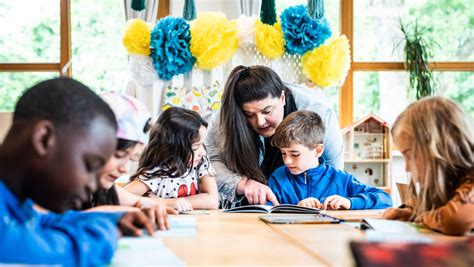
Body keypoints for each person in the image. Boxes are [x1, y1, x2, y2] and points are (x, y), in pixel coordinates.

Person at [0, 78, 154, 265]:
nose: (93, 183)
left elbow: (44, 221)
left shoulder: (17, 202)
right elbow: (40, 248)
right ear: (44, 139)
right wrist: (106, 232)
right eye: (90, 166)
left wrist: (115, 218)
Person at [206, 65, 344, 208]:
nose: (260, 122)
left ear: (282, 98)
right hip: (249, 204)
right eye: (249, 115)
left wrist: (323, 204)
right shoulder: (228, 114)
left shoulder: (318, 111)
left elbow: (334, 170)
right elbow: (209, 162)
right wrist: (242, 183)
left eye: (267, 111)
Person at [83, 92, 177, 230]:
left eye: (130, 158)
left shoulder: (103, 190)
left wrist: (149, 206)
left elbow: (139, 201)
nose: (124, 169)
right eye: (119, 155)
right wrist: (119, 213)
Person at [383, 96, 473, 235]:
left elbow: (455, 220)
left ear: (439, 148)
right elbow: (434, 208)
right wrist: (409, 213)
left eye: (410, 155)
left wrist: (420, 217)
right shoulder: (449, 181)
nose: (407, 168)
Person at [268, 110, 392, 209]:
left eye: (295, 154)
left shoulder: (340, 179)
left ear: (318, 150)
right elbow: (266, 210)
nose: (287, 161)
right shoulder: (278, 177)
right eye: (283, 153)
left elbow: (386, 199)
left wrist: (350, 202)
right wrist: (296, 209)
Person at [125, 107, 219, 212]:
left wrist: (164, 202)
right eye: (195, 147)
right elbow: (123, 196)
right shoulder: (159, 171)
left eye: (202, 144)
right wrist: (169, 204)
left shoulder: (201, 162)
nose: (203, 152)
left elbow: (213, 201)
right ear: (173, 148)